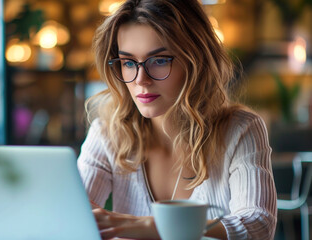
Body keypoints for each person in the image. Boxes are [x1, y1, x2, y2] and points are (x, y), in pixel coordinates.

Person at [77, 0, 277, 239]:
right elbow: (73, 214)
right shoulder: (108, 133)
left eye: (159, 60)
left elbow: (259, 224)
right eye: (129, 63)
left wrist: (153, 227)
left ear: (196, 61)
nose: (141, 79)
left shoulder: (240, 129)